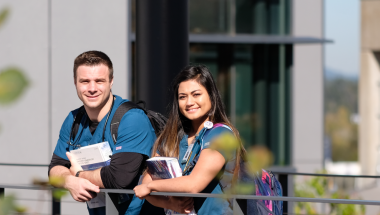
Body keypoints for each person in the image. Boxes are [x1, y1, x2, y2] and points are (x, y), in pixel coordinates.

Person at [48, 50, 156, 215]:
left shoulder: (132, 119)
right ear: (75, 82)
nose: (92, 88)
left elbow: (118, 179)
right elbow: (55, 167)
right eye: (85, 81)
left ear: (111, 81)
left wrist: (76, 173)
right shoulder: (74, 120)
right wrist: (69, 181)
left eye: (99, 81)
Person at [133, 65, 246, 214]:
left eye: (196, 94)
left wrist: (152, 187)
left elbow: (194, 184)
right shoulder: (172, 138)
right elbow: (145, 182)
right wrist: (170, 204)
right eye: (182, 97)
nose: (189, 102)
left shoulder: (221, 135)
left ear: (211, 95)